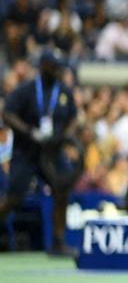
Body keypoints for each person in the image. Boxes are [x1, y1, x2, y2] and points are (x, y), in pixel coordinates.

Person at [0, 52, 78, 256]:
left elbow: (73, 117)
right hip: (26, 152)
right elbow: (7, 113)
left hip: (52, 153)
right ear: (43, 66)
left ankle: (58, 242)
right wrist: (28, 131)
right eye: (54, 66)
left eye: (59, 66)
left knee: (62, 191)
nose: (58, 70)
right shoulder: (26, 90)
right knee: (13, 197)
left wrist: (64, 136)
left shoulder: (63, 91)